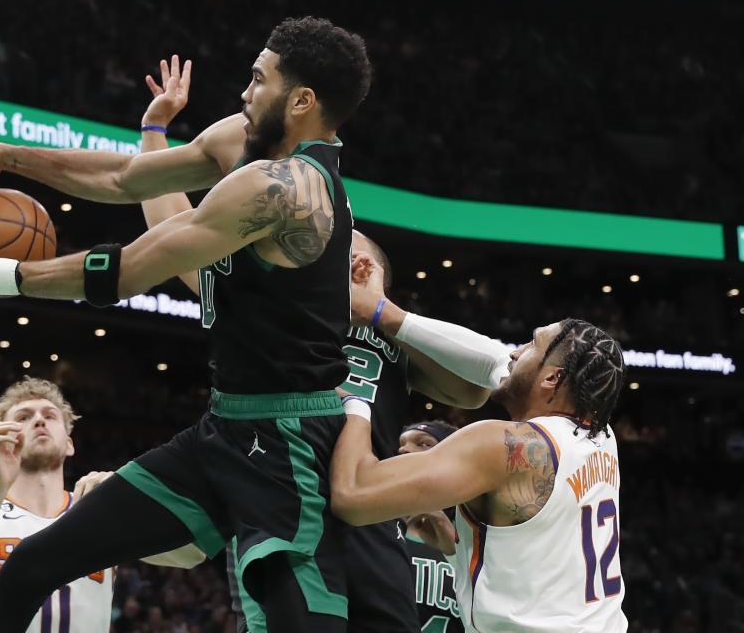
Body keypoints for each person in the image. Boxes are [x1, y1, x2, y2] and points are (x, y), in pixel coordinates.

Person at [0, 18, 372, 633]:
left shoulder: (291, 190)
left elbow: (129, 269)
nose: (244, 92)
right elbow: (124, 178)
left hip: (290, 443)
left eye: (258, 79)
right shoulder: (238, 143)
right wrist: (6, 157)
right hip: (223, 431)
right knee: (33, 562)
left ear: (301, 102)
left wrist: (3, 277)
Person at [135, 60, 486, 633]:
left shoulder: (401, 343)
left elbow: (474, 389)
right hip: (278, 507)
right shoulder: (282, 306)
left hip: (368, 528)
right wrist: (154, 133)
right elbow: (172, 235)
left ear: (363, 265)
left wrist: (387, 318)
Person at [331, 256, 629, 633]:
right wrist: (381, 311)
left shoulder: (507, 447)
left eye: (530, 345)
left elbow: (353, 495)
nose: (514, 352)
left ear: (552, 379)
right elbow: (490, 357)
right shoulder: (599, 436)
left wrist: (357, 401)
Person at [0, 377, 202, 630]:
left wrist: (128, 504)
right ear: (2, 436)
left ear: (69, 443)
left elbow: (191, 556)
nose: (39, 421)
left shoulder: (96, 511)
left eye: (49, 415)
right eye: (24, 416)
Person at [397, 422, 464, 633]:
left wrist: (458, 554)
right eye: (401, 444)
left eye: (423, 444)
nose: (404, 450)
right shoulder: (370, 525)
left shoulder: (478, 535)